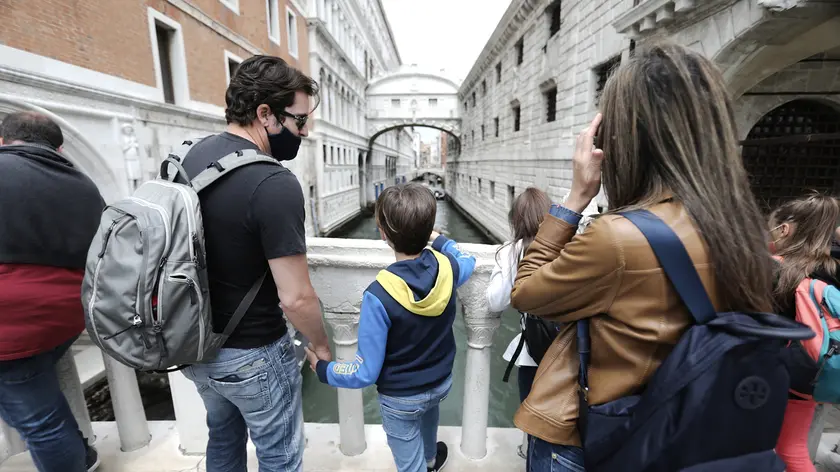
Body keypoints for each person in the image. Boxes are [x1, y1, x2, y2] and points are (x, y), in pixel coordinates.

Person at [510, 43, 776, 471]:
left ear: (623, 137)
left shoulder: (618, 239)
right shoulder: (742, 227)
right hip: (679, 429)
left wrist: (577, 196)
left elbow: (524, 292)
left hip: (598, 434)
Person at [179, 55, 331, 472]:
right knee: (280, 458)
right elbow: (297, 298)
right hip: (253, 354)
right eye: (299, 121)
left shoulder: (186, 158)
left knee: (222, 440)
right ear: (265, 114)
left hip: (194, 348)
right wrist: (320, 345)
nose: (304, 131)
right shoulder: (274, 182)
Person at [305, 183, 476, 472]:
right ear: (428, 229)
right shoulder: (448, 269)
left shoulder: (379, 295)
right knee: (429, 416)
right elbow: (467, 258)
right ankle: (432, 460)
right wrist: (440, 240)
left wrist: (323, 369)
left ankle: (424, 464)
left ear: (384, 234)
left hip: (401, 398)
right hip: (440, 382)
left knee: (409, 464)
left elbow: (364, 372)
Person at [0, 111, 105, 472]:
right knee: (36, 400)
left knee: (38, 422)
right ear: (58, 148)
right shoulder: (84, 184)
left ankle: (75, 460)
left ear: (3, 141)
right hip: (69, 316)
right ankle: (80, 452)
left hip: (12, 325)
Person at [769, 194, 840, 472]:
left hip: (769, 373)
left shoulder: (773, 266)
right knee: (793, 448)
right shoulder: (830, 269)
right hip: (811, 374)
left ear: (784, 229)